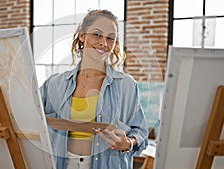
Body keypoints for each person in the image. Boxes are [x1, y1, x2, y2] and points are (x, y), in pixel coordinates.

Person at [40, 9, 148, 169]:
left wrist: (127, 143)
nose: (104, 43)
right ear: (82, 35)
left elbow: (141, 133)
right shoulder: (54, 84)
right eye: (97, 34)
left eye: (111, 38)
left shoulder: (126, 85)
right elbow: (28, 120)